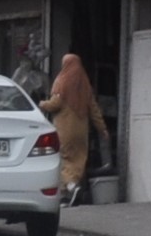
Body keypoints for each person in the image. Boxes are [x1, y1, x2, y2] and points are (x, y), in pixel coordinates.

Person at [42, 50, 106, 207]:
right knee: (77, 160)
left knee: (64, 159)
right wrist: (102, 128)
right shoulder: (85, 83)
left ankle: (71, 185)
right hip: (81, 129)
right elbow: (94, 109)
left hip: (65, 129)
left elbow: (55, 104)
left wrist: (41, 104)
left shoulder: (62, 81)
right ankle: (65, 197)